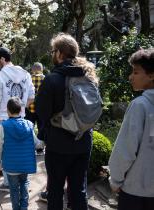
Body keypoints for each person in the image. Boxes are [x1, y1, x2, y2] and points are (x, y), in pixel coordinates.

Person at [35, 33, 98, 210]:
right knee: (79, 190)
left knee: (55, 190)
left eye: (53, 51)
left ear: (60, 53)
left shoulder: (53, 79)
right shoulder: (89, 76)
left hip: (57, 144)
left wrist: (45, 134)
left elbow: (41, 111)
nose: (52, 54)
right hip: (83, 140)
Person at [109, 49, 154, 210]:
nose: (130, 76)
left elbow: (125, 150)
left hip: (136, 190)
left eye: (136, 72)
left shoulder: (140, 105)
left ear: (151, 75)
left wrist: (115, 180)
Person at [0, 47, 35, 192]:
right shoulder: (26, 74)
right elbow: (32, 97)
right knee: (20, 149)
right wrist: (21, 107)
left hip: (3, 119)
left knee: (4, 150)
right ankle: (22, 182)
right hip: (20, 118)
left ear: (2, 59)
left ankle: (8, 183)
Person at [0, 97, 39, 210]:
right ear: (20, 110)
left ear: (8, 110)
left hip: (11, 165)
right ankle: (24, 207)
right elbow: (36, 143)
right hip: (25, 164)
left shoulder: (3, 126)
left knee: (13, 189)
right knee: (24, 184)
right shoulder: (29, 125)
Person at [26, 62, 45, 155]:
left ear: (32, 69)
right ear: (41, 69)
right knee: (41, 127)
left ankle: (30, 147)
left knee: (30, 127)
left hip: (29, 107)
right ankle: (40, 149)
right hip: (42, 108)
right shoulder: (45, 79)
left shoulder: (28, 79)